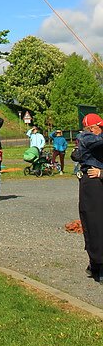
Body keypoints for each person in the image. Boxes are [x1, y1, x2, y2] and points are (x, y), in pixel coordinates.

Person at [74, 113, 103, 282]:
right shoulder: (86, 137)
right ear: (92, 128)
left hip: (99, 176)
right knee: (94, 223)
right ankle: (97, 263)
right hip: (92, 184)